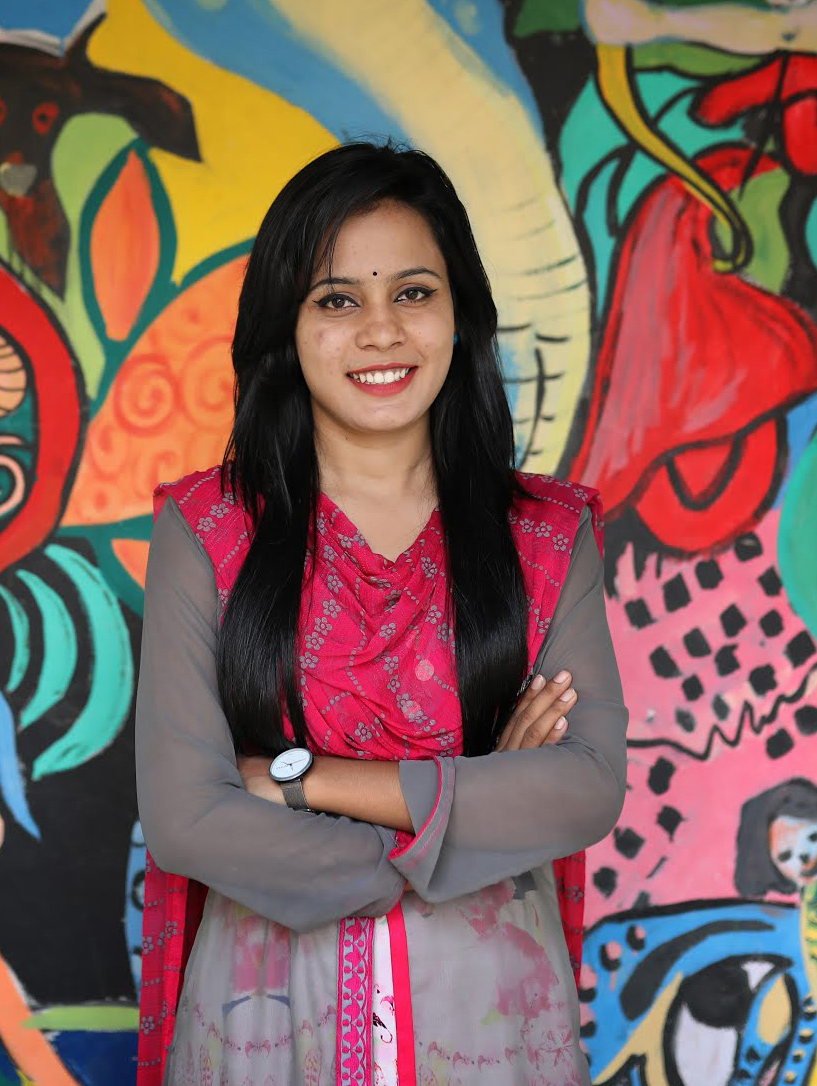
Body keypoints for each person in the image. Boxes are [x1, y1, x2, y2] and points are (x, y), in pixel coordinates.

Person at [134, 141, 631, 1085]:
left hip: (490, 1031)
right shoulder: (206, 532)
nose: (380, 331)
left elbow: (586, 786)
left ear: (461, 315)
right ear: (286, 325)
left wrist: (297, 781)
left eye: (413, 292)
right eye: (336, 300)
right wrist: (472, 808)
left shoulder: (548, 538)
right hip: (263, 1032)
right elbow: (186, 817)